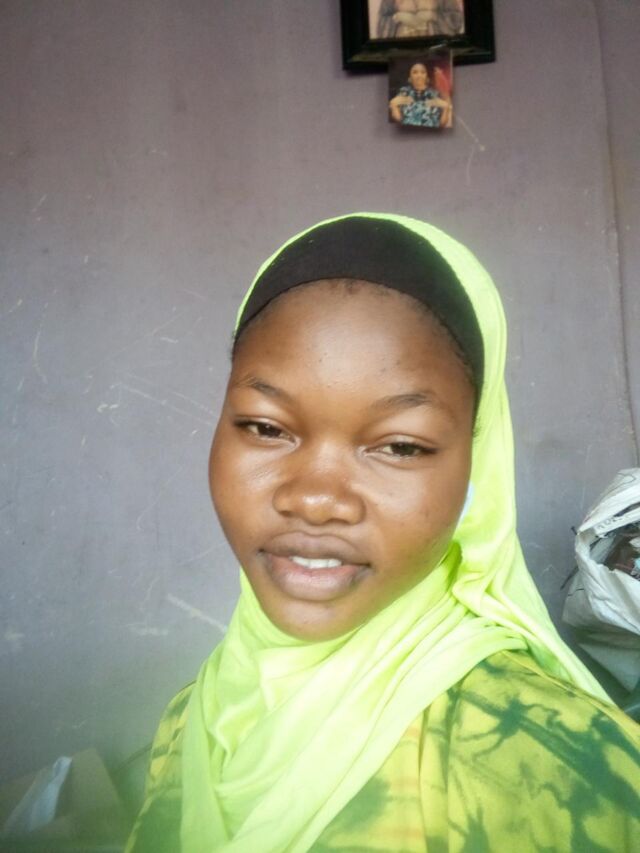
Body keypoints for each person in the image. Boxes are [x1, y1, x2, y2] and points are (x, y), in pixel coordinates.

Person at [127, 214, 640, 852]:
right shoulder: (194, 717)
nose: (317, 500)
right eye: (265, 427)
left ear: (477, 467)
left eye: (400, 446)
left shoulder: (548, 762)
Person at [389, 62, 452, 127]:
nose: (419, 75)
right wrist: (393, 106)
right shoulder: (403, 92)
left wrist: (446, 109)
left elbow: (442, 124)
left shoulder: (435, 94)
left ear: (427, 78)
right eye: (415, 72)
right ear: (410, 78)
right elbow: (398, 120)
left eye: (423, 72)